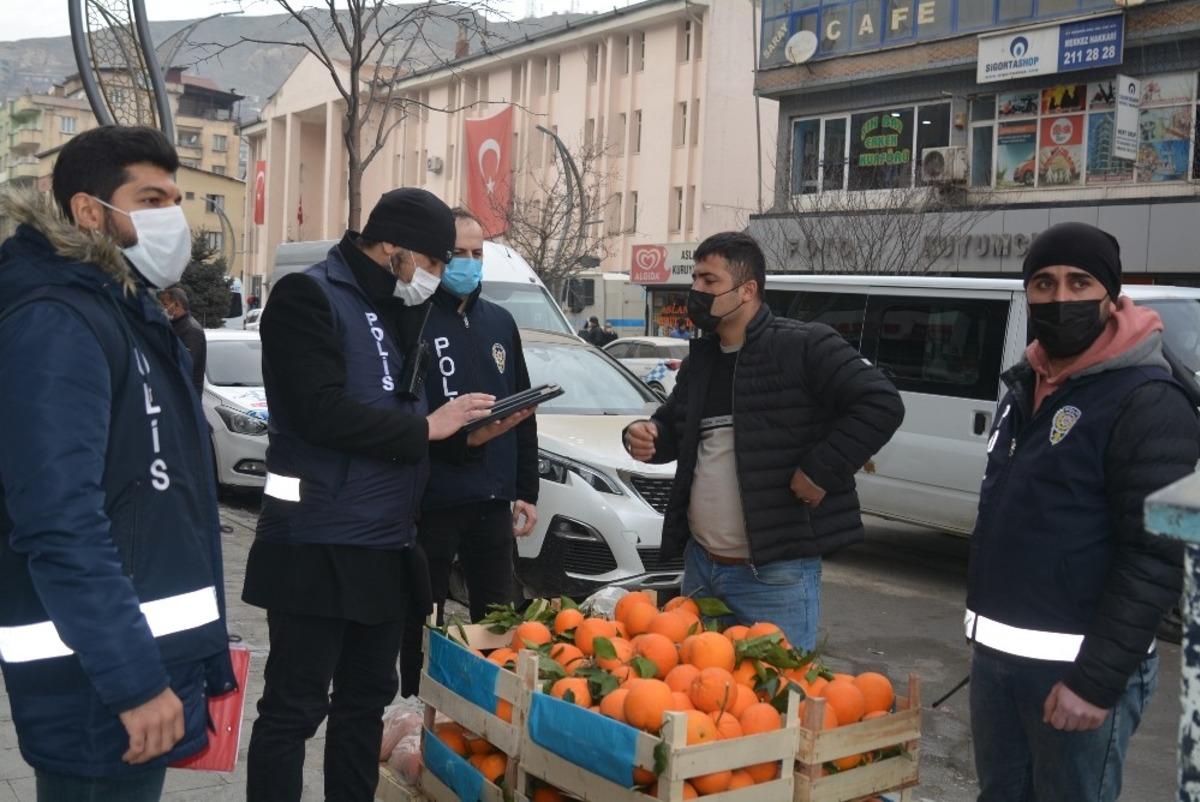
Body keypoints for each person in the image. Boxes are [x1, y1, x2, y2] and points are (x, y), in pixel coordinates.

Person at [242, 188, 507, 802]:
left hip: (388, 542)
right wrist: (425, 428)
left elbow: (397, 419)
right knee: (294, 706)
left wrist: (459, 439)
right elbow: (318, 412)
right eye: (435, 263)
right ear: (394, 248)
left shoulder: (396, 303)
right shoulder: (307, 296)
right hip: (315, 540)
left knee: (365, 703)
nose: (439, 279)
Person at [0, 125, 236, 801]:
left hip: (133, 672)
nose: (174, 218)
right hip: (98, 689)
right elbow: (59, 522)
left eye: (177, 199)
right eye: (152, 198)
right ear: (88, 211)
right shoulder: (57, 322)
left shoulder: (123, 313)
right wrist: (135, 682)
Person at [965, 222, 1198, 802]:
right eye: (1043, 283)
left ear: (1111, 295)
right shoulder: (1028, 386)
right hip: (999, 665)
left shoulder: (1147, 400)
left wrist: (1094, 683)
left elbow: (1155, 557)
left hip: (1077, 680)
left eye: (1079, 281)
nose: (1060, 297)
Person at [623, 231, 903, 651]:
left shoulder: (804, 345)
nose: (696, 291)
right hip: (701, 569)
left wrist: (821, 470)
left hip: (774, 578)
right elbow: (674, 426)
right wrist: (647, 436)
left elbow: (881, 403)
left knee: (774, 703)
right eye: (694, 279)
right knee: (702, 701)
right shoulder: (703, 360)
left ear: (747, 289)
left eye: (709, 281)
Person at [399, 207, 539, 697]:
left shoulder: (500, 322)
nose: (468, 262)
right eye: (457, 253)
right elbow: (404, 416)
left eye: (477, 253)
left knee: (497, 612)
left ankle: (490, 701)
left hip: (492, 498)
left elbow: (524, 411)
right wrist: (460, 441)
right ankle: (417, 699)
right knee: (426, 609)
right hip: (434, 497)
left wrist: (526, 490)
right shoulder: (412, 320)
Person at [159, 285, 207, 395]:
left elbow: (185, 365)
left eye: (165, 304)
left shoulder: (191, 330)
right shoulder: (173, 326)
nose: (163, 308)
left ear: (177, 304)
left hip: (186, 395)